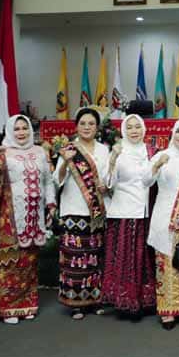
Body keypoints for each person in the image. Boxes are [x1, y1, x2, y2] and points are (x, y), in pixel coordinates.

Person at [0, 115, 55, 324]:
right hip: (8, 217)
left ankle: (26, 304)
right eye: (16, 129)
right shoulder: (2, 152)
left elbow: (48, 181)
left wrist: (51, 204)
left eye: (24, 128)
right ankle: (8, 308)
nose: (21, 132)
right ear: (10, 131)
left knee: (29, 260)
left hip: (34, 216)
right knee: (9, 262)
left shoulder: (40, 152)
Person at [53, 108, 110, 320]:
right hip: (73, 210)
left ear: (97, 127)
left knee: (95, 257)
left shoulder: (104, 150)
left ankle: (95, 299)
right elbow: (56, 180)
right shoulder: (68, 149)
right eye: (83, 123)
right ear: (76, 126)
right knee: (74, 259)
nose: (87, 127)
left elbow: (107, 178)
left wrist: (106, 186)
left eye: (91, 124)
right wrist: (66, 162)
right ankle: (76, 303)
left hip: (96, 212)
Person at [145, 119, 179, 330]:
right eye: (178, 131)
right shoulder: (161, 155)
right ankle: (167, 310)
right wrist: (156, 166)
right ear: (172, 133)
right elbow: (146, 182)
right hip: (163, 216)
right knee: (166, 261)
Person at [102, 114, 156, 317]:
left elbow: (151, 181)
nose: (134, 131)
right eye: (130, 127)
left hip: (144, 212)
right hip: (123, 212)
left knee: (143, 257)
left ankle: (145, 300)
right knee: (125, 257)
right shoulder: (118, 151)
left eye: (138, 127)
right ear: (124, 130)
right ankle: (124, 299)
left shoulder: (150, 151)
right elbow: (108, 182)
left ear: (144, 129)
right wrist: (113, 158)